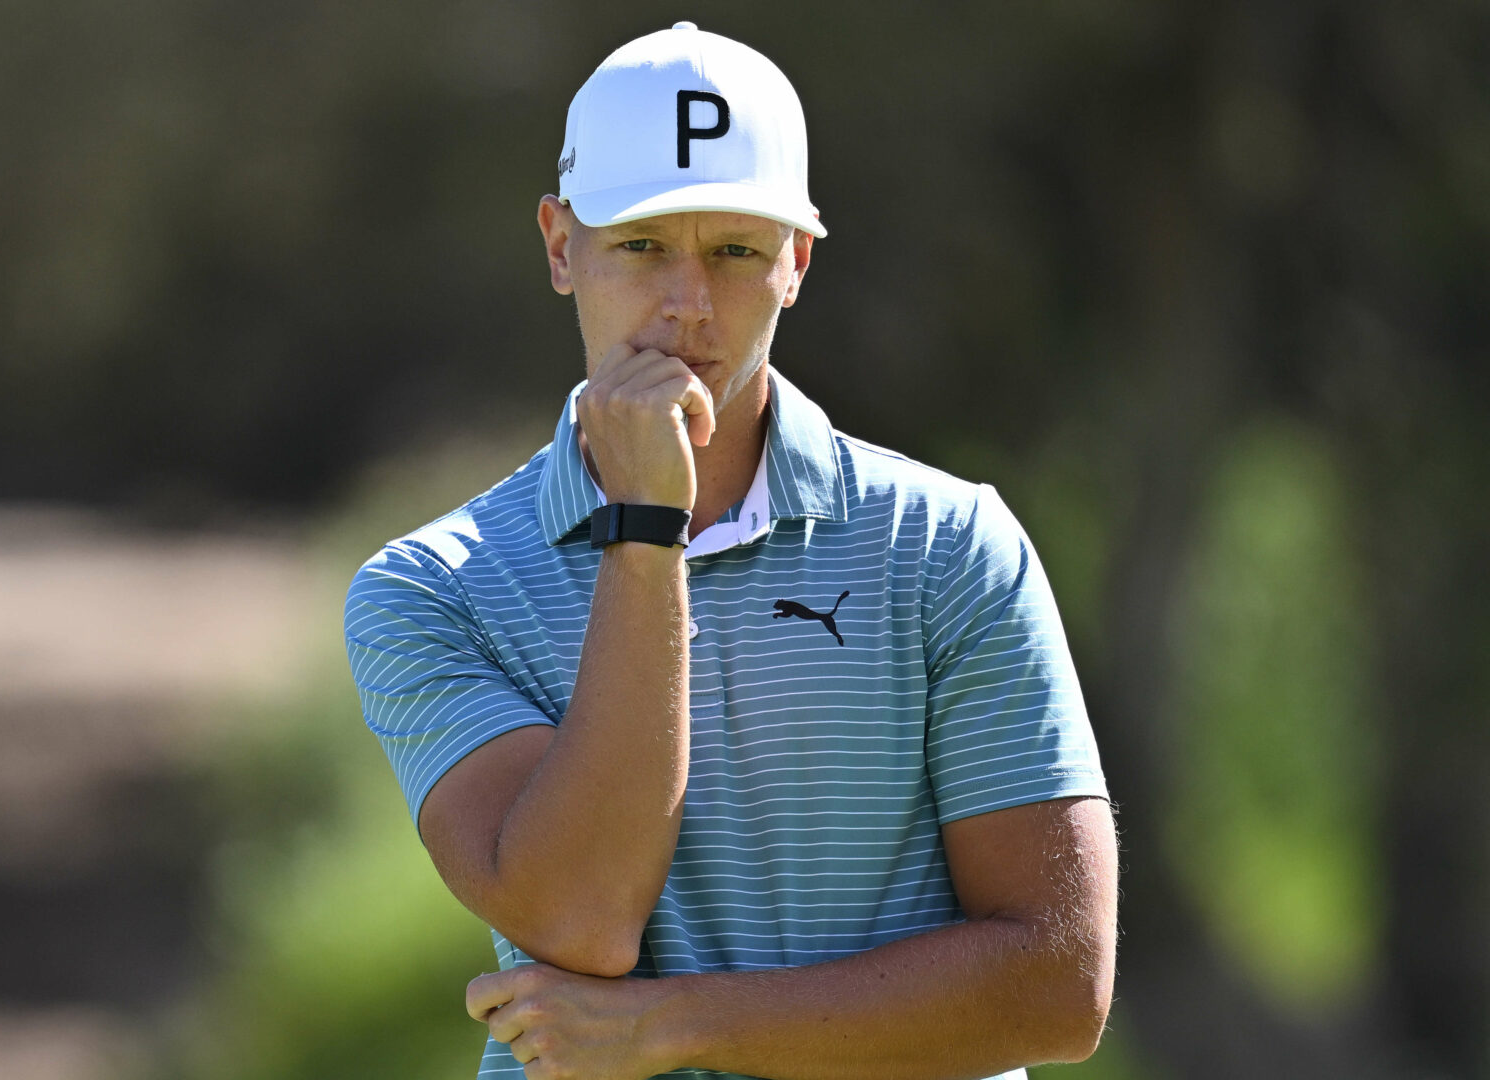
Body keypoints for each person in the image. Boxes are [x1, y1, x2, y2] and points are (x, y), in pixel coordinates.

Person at [343, 21, 1117, 1080]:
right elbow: (583, 918)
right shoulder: (432, 591)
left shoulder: (950, 546)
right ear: (560, 245)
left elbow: (1058, 986)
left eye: (736, 251)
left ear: (796, 262)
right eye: (644, 245)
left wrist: (673, 1027)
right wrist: (648, 533)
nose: (688, 305)